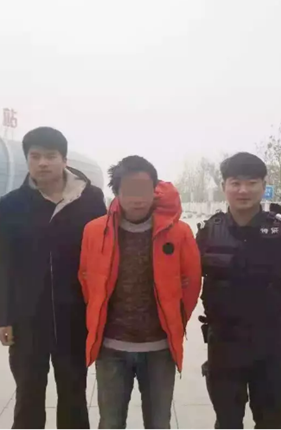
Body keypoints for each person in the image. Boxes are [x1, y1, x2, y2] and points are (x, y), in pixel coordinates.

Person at [0, 127, 107, 429]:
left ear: (64, 159)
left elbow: (104, 257)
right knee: (28, 394)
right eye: (35, 156)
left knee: (74, 394)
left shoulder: (90, 199)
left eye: (50, 156)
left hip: (75, 317)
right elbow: (1, 263)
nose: (43, 163)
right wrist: (3, 318)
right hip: (27, 320)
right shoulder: (12, 204)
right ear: (28, 160)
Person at [78, 155, 202, 429]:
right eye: (129, 191)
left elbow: (191, 283)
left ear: (154, 190)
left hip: (159, 348)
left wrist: (174, 319)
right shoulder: (94, 231)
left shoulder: (179, 233)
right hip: (111, 346)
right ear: (117, 192)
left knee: (159, 422)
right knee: (110, 422)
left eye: (144, 190)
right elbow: (87, 279)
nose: (137, 199)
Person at [197, 152, 281, 429]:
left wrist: (274, 310)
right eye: (235, 183)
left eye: (251, 183)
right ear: (224, 186)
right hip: (223, 344)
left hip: (269, 344)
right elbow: (188, 279)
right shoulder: (207, 233)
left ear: (263, 186)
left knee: (271, 421)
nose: (243, 190)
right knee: (227, 421)